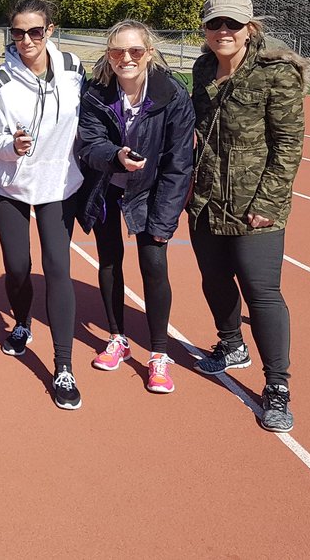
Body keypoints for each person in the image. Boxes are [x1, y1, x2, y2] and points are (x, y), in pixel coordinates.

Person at [188, 0, 308, 433]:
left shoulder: (277, 73)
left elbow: (289, 144)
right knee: (214, 279)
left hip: (254, 205)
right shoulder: (203, 69)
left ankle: (277, 385)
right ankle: (232, 344)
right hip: (206, 201)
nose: (223, 31)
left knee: (261, 292)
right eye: (215, 23)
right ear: (205, 29)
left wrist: (268, 203)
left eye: (233, 24)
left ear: (249, 28)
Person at [77, 20, 194, 394]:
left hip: (152, 192)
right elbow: (89, 144)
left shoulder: (171, 94)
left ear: (149, 53)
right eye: (117, 51)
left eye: (135, 51)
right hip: (106, 187)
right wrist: (116, 156)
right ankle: (118, 339)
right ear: (109, 55)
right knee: (109, 261)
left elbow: (179, 162)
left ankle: (159, 354)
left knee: (154, 265)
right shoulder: (96, 92)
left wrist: (165, 219)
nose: (125, 58)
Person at [0, 0, 88, 410]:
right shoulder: (0, 79)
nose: (26, 40)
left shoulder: (74, 69)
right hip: (10, 184)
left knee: (58, 268)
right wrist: (12, 146)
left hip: (58, 184)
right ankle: (23, 323)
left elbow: (93, 119)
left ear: (50, 31)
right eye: (18, 32)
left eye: (35, 31)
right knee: (17, 267)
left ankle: (64, 366)